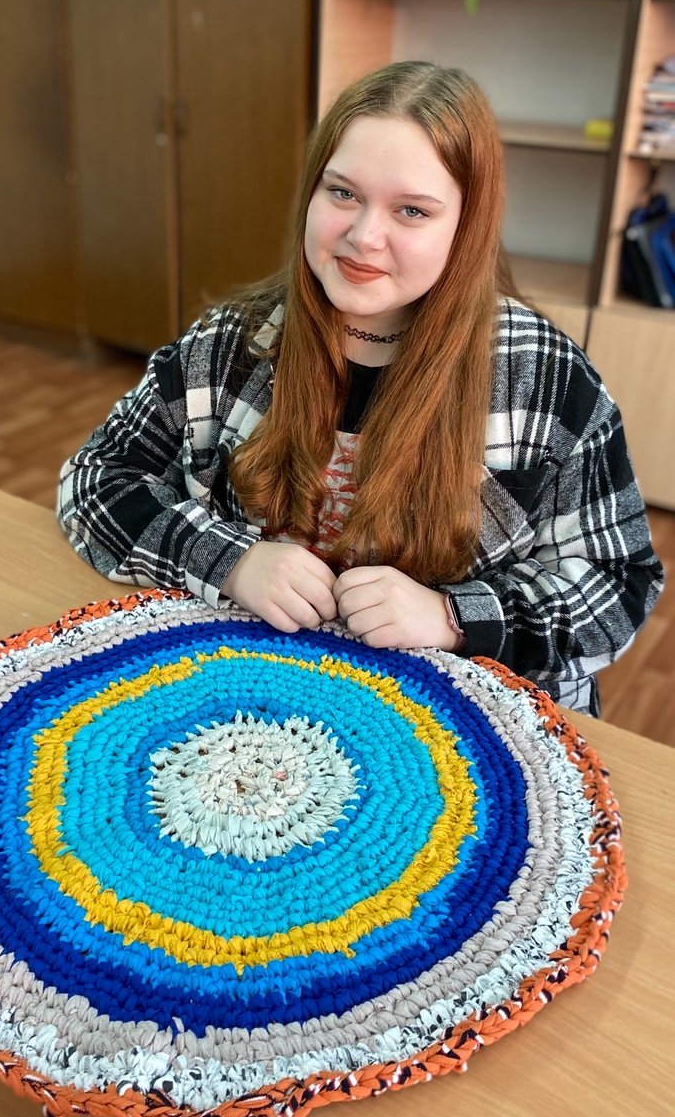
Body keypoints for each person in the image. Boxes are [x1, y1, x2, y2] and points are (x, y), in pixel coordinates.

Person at [57, 60, 663, 716]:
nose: (363, 237)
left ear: (466, 226)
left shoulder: (547, 379)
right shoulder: (229, 343)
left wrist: (452, 617)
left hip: (462, 726)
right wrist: (230, 562)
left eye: (412, 210)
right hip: (249, 702)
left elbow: (620, 584)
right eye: (342, 193)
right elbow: (95, 480)